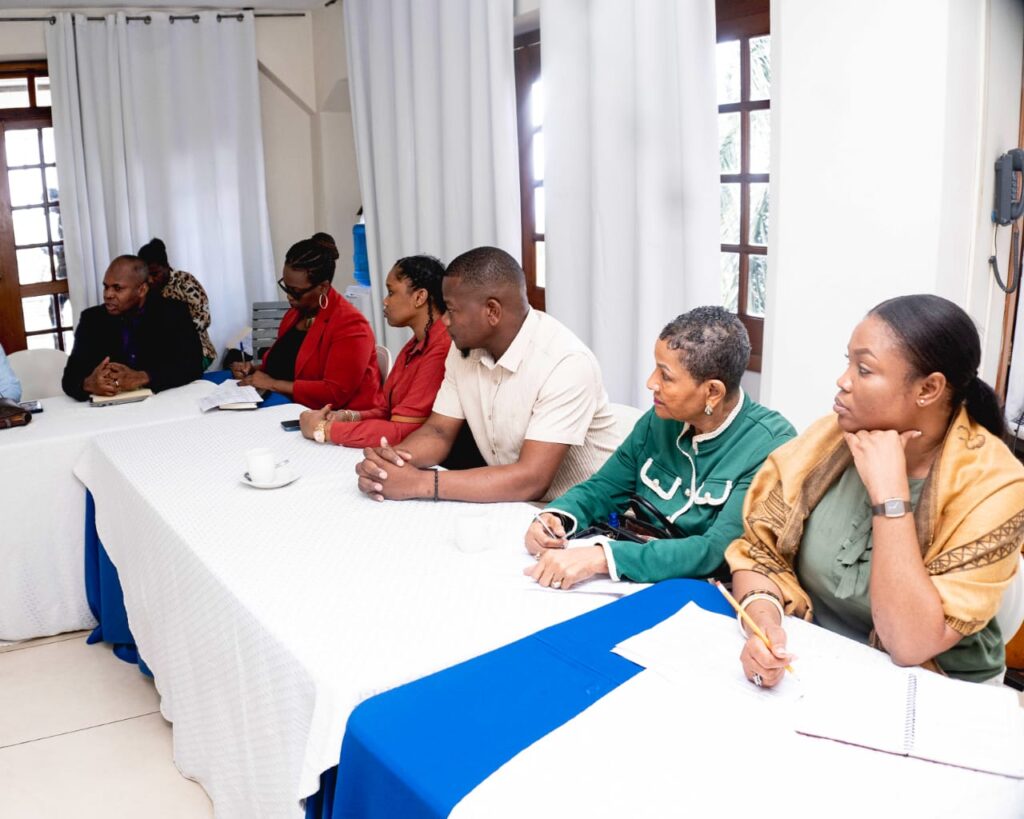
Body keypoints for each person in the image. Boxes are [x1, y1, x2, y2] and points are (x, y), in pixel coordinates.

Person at [727, 295, 1024, 686]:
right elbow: (759, 555)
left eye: (864, 369)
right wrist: (766, 624)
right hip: (818, 665)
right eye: (847, 362)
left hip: (937, 687)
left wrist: (889, 496)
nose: (843, 380)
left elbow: (910, 644)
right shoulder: (828, 440)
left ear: (929, 388)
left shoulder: (996, 484)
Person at [523, 307, 796, 590]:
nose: (651, 383)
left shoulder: (771, 445)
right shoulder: (661, 419)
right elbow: (603, 489)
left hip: (702, 592)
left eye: (665, 376)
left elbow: (715, 551)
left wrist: (603, 558)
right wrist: (555, 517)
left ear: (712, 392)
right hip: (633, 579)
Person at [354, 246, 619, 503]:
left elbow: (532, 479)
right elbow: (438, 431)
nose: (444, 320)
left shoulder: (565, 363)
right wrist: (391, 464)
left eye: (451, 310)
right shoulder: (463, 350)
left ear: (492, 311)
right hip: (515, 502)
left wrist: (419, 483)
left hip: (585, 512)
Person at [299, 255, 451, 447]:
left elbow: (403, 431)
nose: (385, 301)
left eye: (391, 292)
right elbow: (388, 411)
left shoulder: (441, 348)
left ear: (420, 297)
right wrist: (347, 416)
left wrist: (323, 429)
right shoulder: (415, 344)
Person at [230, 233, 385, 412]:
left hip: (340, 417)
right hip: (295, 408)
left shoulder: (352, 327)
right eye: (286, 287)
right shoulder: (295, 314)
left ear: (323, 287)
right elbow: (289, 364)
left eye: (296, 291)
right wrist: (252, 369)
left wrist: (272, 384)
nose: (289, 296)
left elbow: (334, 393)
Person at [62, 255, 203, 401]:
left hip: (162, 402)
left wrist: (143, 377)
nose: (108, 295)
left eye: (117, 288)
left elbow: (193, 366)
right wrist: (88, 384)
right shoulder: (92, 320)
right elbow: (69, 379)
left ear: (142, 290)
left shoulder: (173, 313)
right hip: (109, 409)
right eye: (106, 287)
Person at [138, 238, 216, 369]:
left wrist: (172, 334)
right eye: (147, 276)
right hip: (161, 351)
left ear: (166, 265)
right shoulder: (146, 288)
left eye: (155, 274)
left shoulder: (185, 281)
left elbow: (204, 318)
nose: (150, 280)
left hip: (195, 348)